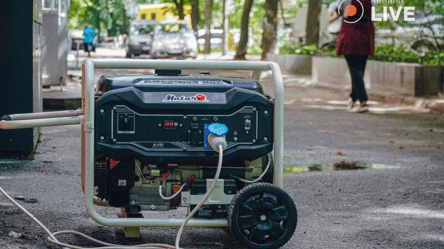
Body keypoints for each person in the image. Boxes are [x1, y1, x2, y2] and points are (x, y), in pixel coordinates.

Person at [329, 0, 376, 113]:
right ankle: (353, 98)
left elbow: (339, 10)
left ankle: (363, 101)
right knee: (359, 69)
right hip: (366, 33)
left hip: (351, 33)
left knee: (355, 69)